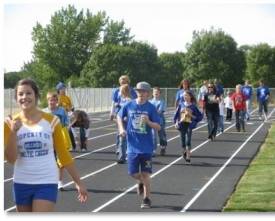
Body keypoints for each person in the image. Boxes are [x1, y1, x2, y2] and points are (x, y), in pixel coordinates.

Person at [4, 79, 88, 212]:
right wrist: (14, 132)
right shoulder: (10, 124)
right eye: (20, 94)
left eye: (28, 93)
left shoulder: (52, 121)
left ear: (36, 96)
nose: (24, 97)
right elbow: (11, 159)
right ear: (16, 98)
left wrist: (78, 182)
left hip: (46, 181)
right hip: (21, 182)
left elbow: (63, 154)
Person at [117, 81, 160, 209]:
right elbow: (119, 117)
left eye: (143, 91)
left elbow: (158, 127)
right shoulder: (129, 105)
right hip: (132, 146)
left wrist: (148, 122)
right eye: (139, 91)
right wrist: (121, 129)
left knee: (146, 173)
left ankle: (147, 199)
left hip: (146, 147)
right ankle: (141, 182)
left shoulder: (151, 108)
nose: (141, 93)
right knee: (132, 173)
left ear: (148, 93)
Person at [43, 92, 71, 190]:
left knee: (61, 161)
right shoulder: (44, 112)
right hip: (47, 140)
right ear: (47, 100)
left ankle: (59, 181)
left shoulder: (62, 111)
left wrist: (64, 134)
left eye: (55, 100)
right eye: (51, 100)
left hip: (59, 138)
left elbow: (65, 123)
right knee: (48, 161)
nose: (53, 102)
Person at [110, 75, 137, 154]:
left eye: (124, 82)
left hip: (129, 113)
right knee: (120, 131)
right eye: (121, 83)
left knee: (130, 131)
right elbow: (113, 102)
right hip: (120, 112)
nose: (123, 84)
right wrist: (112, 112)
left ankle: (129, 148)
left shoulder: (132, 91)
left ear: (128, 82)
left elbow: (135, 102)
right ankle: (119, 148)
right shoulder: (116, 91)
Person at [174, 91, 203, 164]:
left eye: (186, 95)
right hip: (182, 124)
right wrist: (176, 123)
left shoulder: (193, 106)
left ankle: (188, 156)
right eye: (184, 96)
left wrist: (191, 115)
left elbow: (199, 117)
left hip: (189, 125)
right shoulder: (181, 105)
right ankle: (184, 151)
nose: (185, 97)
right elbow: (176, 115)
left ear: (190, 97)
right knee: (182, 140)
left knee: (188, 140)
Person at [56, 82, 77, 151]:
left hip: (68, 116)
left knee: (69, 130)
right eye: (62, 89)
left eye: (64, 88)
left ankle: (71, 145)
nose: (64, 90)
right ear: (59, 90)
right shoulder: (58, 98)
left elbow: (71, 106)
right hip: (60, 117)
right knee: (64, 132)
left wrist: (71, 109)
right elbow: (56, 107)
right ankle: (68, 145)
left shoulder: (67, 97)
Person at [116, 84, 132, 164]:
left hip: (127, 122)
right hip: (121, 122)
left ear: (124, 91)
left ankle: (128, 155)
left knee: (127, 140)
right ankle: (122, 157)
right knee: (121, 139)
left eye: (120, 90)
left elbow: (130, 111)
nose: (119, 92)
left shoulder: (129, 100)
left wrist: (127, 117)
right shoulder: (121, 99)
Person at [149, 87, 168, 156]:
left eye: (157, 92)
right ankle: (153, 150)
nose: (155, 93)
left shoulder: (162, 101)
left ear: (160, 93)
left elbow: (160, 111)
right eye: (154, 92)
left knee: (161, 135)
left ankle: (163, 147)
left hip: (160, 120)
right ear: (153, 93)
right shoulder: (150, 101)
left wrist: (152, 112)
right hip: (152, 121)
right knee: (153, 135)